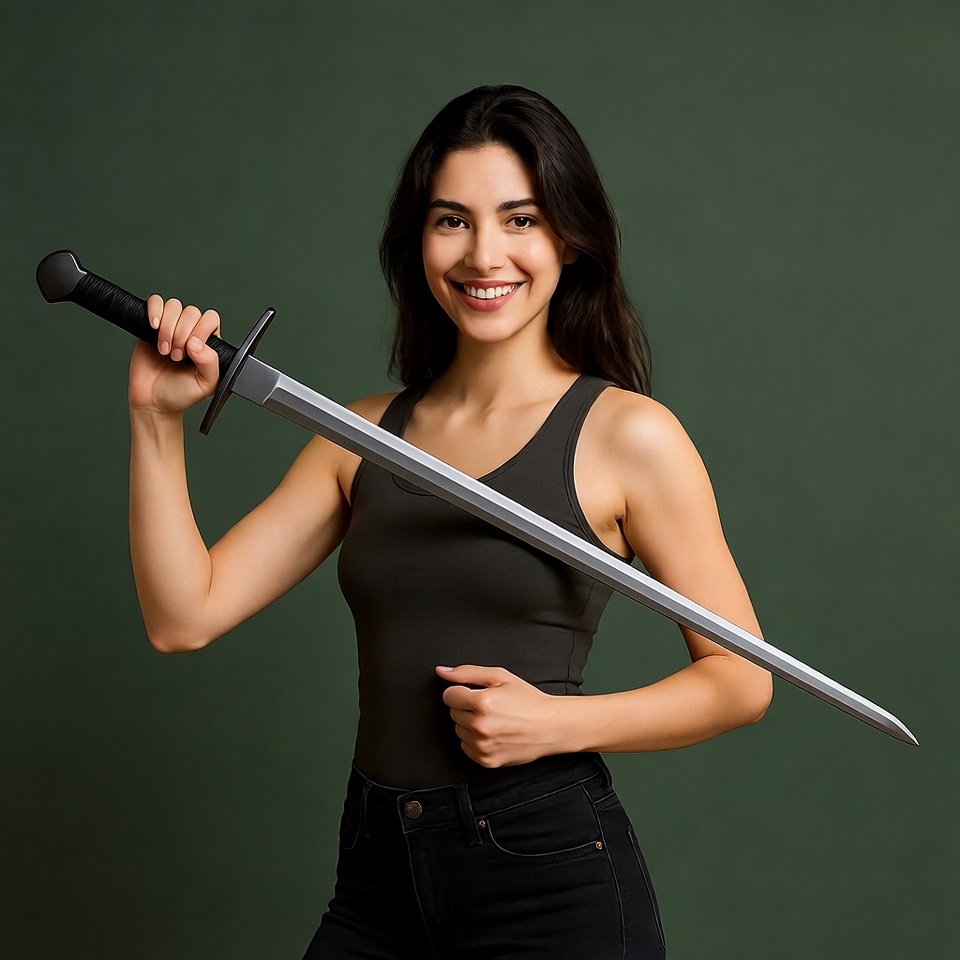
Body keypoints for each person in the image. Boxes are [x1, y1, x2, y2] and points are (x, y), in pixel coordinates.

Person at [129, 85, 772, 958]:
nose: (484, 254)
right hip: (376, 872)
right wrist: (156, 421)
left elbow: (743, 681)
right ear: (417, 242)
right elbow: (183, 617)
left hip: (545, 868)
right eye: (451, 220)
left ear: (568, 240)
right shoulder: (355, 435)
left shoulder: (629, 436)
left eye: (520, 219)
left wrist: (557, 723)